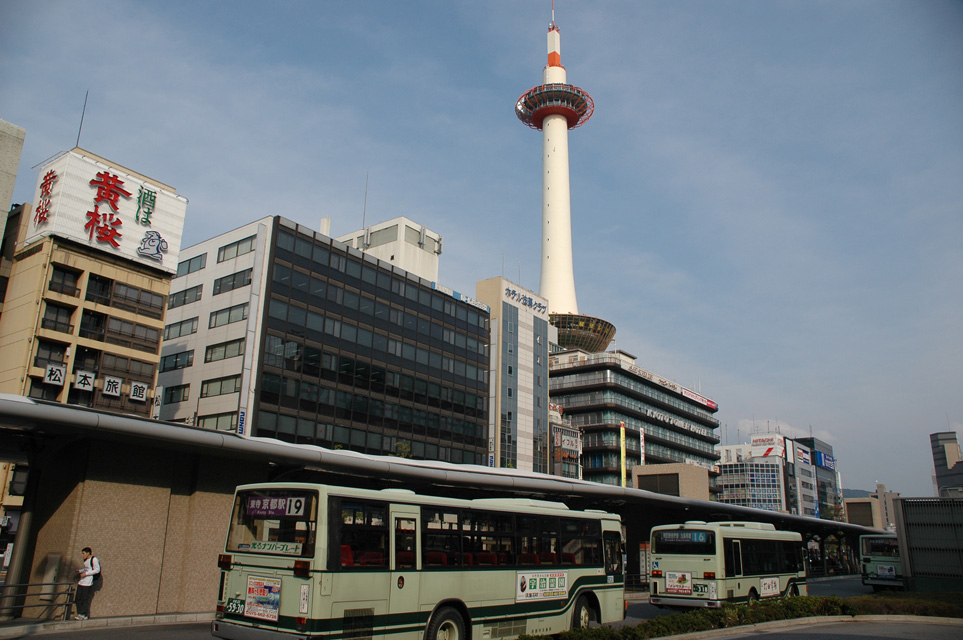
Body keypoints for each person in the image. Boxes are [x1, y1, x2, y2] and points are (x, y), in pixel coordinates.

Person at [74, 547, 101, 620]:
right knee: (77, 598)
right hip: (82, 581)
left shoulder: (94, 559)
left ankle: (84, 614)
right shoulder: (86, 560)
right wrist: (80, 571)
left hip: (88, 582)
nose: (82, 555)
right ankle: (80, 613)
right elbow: (87, 568)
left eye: (83, 553)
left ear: (88, 553)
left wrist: (86, 574)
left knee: (84, 598)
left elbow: (97, 570)